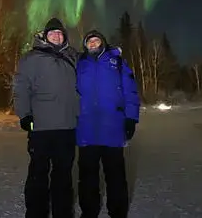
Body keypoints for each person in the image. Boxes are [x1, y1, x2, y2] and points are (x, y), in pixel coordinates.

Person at [14, 18, 79, 218]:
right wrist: (24, 114)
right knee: (38, 174)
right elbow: (20, 88)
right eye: (52, 33)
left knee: (63, 175)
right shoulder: (31, 58)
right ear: (45, 36)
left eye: (60, 33)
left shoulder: (73, 57)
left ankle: (63, 212)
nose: (57, 36)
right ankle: (36, 213)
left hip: (67, 128)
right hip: (41, 128)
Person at [76, 30, 140, 218]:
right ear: (85, 45)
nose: (93, 43)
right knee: (87, 177)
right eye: (90, 41)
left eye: (96, 40)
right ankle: (89, 212)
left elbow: (130, 92)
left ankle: (118, 212)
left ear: (103, 43)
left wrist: (131, 118)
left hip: (112, 127)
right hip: (86, 129)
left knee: (116, 176)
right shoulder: (80, 64)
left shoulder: (118, 62)